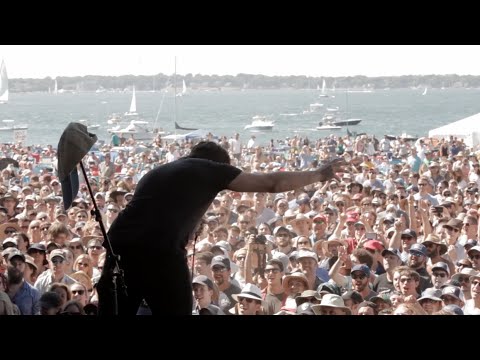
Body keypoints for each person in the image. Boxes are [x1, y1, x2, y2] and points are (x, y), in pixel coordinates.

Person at [97, 141, 344, 315]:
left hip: (118, 249)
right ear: (218, 165)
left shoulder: (159, 171)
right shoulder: (209, 168)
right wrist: (318, 175)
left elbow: (157, 213)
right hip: (159, 254)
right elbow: (272, 182)